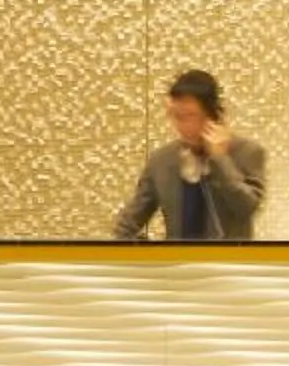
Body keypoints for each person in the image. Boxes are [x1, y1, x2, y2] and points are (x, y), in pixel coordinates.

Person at [113, 69, 266, 240]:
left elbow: (247, 208)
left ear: (212, 115)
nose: (183, 126)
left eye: (190, 116)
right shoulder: (161, 160)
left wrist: (220, 160)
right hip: (178, 262)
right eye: (177, 117)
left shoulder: (247, 152)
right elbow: (127, 225)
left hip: (229, 262)